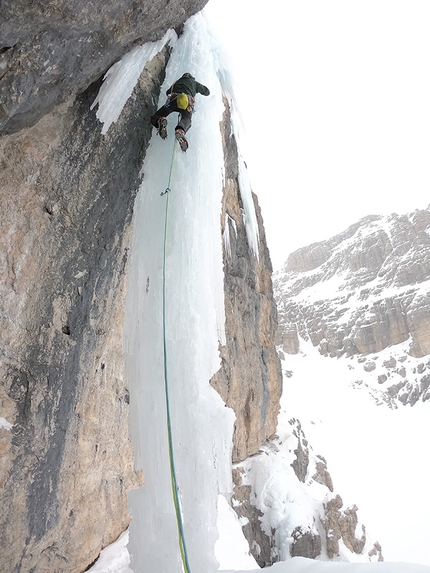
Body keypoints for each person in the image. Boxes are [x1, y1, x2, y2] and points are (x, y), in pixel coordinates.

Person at [150, 72, 210, 151]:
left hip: (174, 100)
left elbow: (168, 92)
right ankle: (180, 130)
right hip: (187, 103)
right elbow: (207, 92)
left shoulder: (177, 82)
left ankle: (160, 120)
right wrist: (195, 90)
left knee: (157, 116)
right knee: (187, 119)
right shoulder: (194, 83)